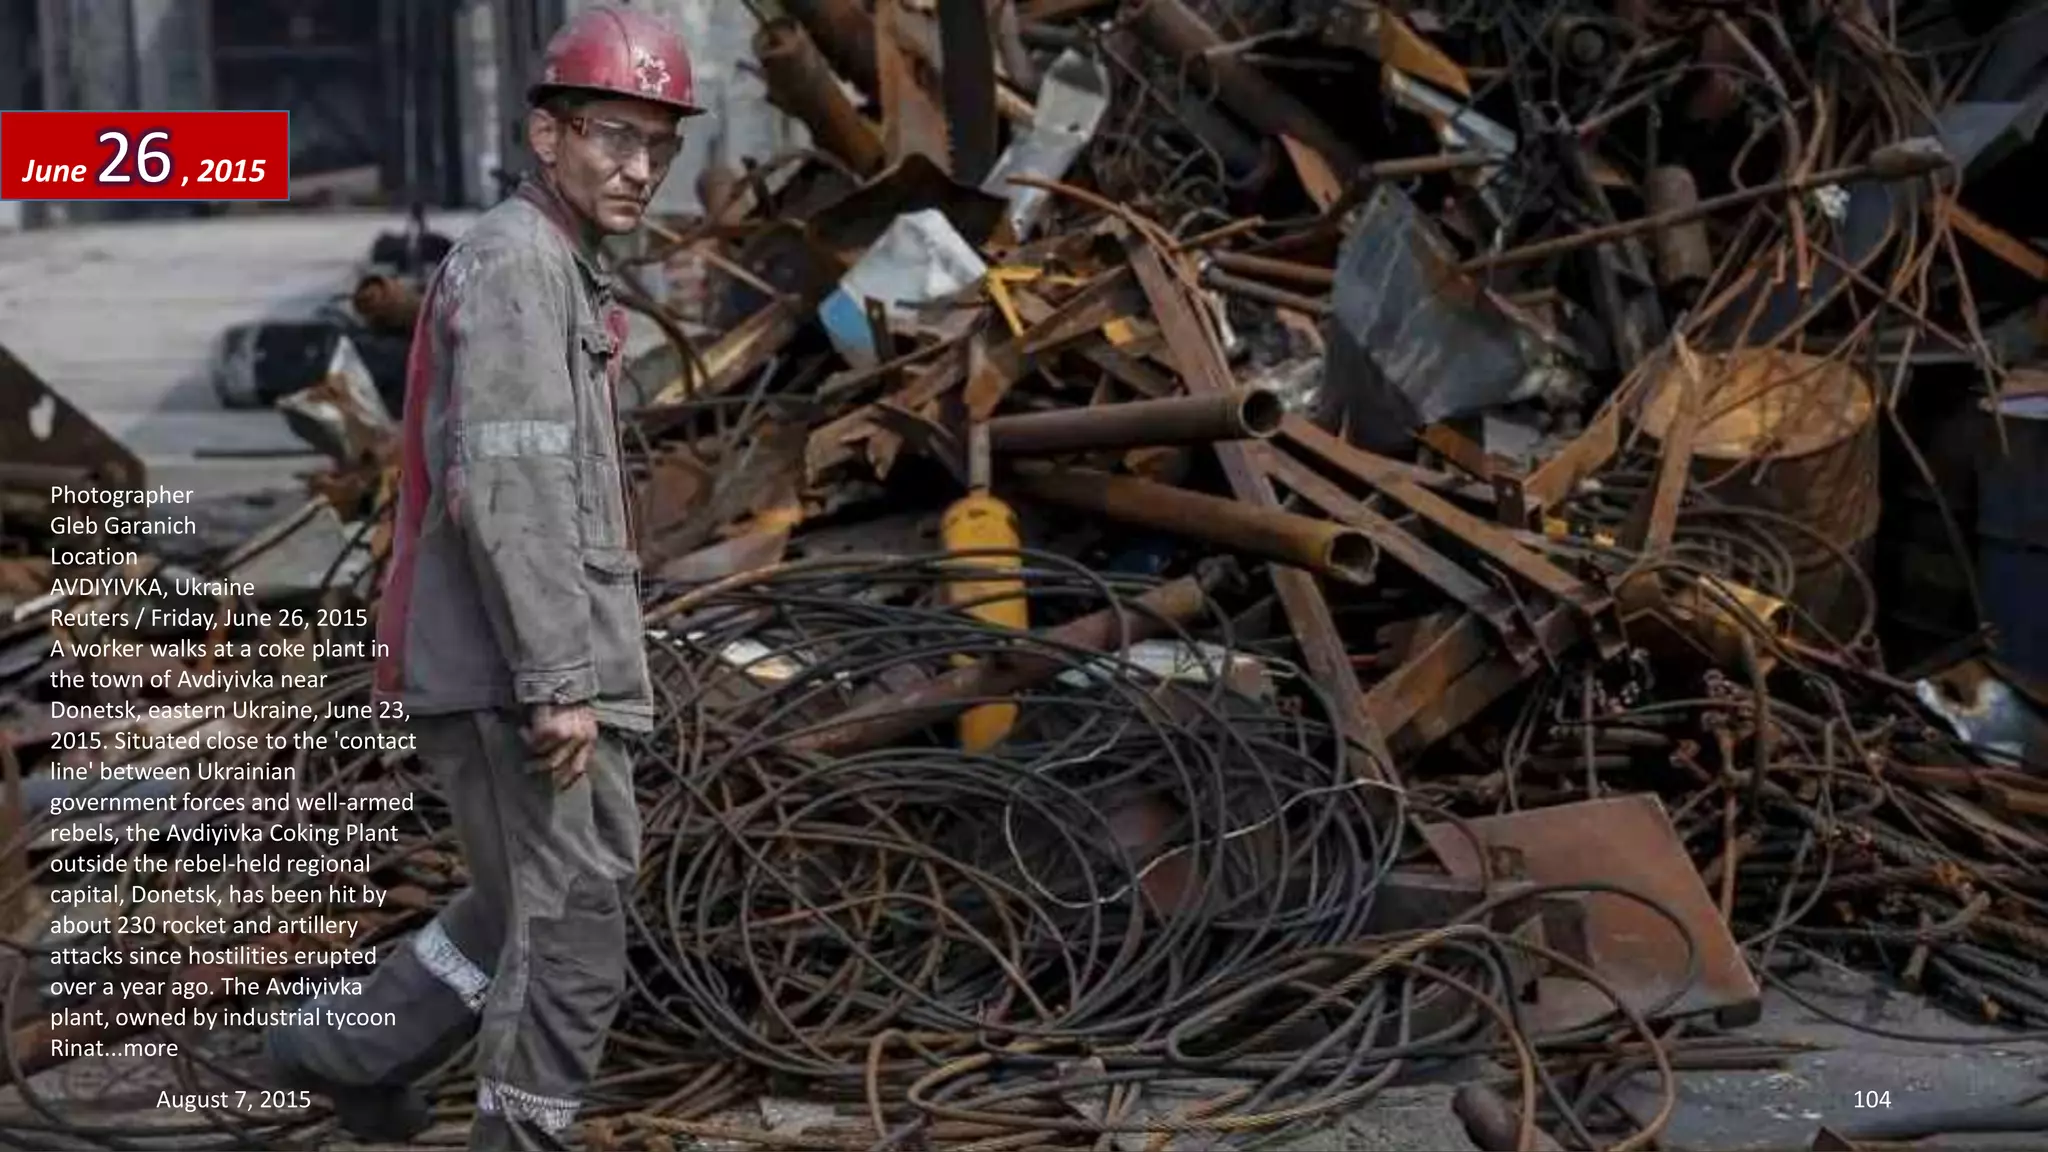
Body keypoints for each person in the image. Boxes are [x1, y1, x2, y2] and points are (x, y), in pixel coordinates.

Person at [262, 7, 700, 1149]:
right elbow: (506, 489)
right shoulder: (516, 268)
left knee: (521, 906)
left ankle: (341, 1047)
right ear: (545, 135)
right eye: (613, 134)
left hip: (523, 666)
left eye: (660, 143)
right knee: (569, 940)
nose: (639, 166)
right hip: (522, 680)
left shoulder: (549, 262)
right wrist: (559, 677)